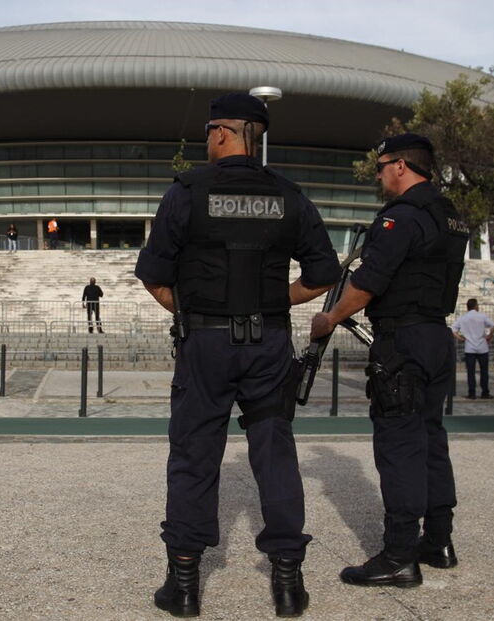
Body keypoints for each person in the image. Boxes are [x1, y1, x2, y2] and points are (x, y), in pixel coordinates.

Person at [135, 92, 341, 618]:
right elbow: (323, 274)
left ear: (224, 131)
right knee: (275, 454)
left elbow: (153, 275)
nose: (207, 140)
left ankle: (184, 586)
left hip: (204, 343)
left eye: (209, 132)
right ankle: (289, 584)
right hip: (269, 342)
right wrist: (276, 300)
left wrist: (192, 311)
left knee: (193, 455)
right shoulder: (290, 195)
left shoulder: (186, 192)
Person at [310, 133, 469, 588]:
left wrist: (329, 318)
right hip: (436, 335)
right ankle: (438, 540)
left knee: (399, 445)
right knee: (431, 439)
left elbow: (368, 283)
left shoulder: (401, 217)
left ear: (401, 165)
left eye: (381, 166)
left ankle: (399, 554)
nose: (378, 175)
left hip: (403, 341)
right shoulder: (450, 215)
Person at [452, 298, 494, 399]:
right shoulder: (482, 316)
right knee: (484, 371)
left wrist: (461, 338)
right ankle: (485, 392)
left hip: (469, 347)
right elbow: (493, 325)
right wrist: (489, 336)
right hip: (482, 346)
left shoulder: (463, 318)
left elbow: (453, 329)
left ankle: (472, 393)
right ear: (476, 306)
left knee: (470, 372)